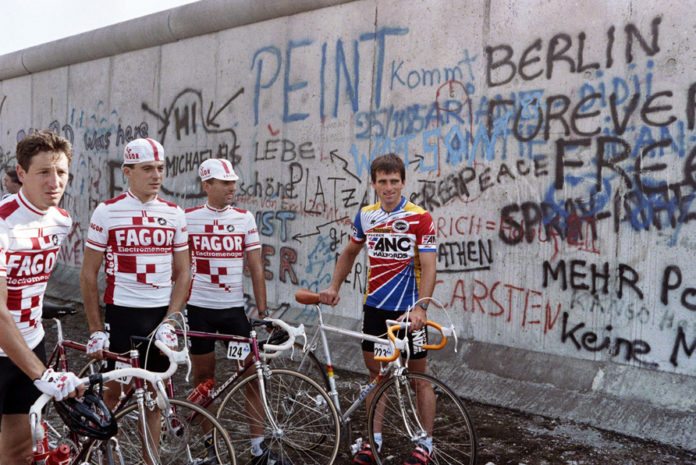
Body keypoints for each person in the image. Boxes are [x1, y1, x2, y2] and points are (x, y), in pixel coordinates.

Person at [319, 153, 437, 465]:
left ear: (403, 182)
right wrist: (334, 286)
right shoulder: (366, 216)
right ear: (373, 183)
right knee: (377, 375)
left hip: (409, 312)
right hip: (375, 309)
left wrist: (421, 308)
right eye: (382, 182)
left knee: (419, 379)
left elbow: (429, 265)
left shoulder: (420, 217)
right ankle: (375, 441)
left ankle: (425, 442)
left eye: (394, 181)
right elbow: (349, 253)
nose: (388, 188)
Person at [81, 138, 190, 392]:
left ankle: (149, 435)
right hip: (121, 313)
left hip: (159, 314)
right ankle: (107, 433)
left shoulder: (175, 213)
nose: (156, 175)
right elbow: (88, 274)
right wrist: (95, 329)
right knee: (113, 391)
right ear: (127, 172)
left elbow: (185, 271)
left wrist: (170, 321)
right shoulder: (106, 211)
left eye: (161, 168)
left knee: (156, 393)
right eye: (147, 168)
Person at [0, 131, 82, 464]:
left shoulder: (61, 221)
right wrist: (43, 374)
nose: (54, 182)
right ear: (21, 174)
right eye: (44, 172)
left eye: (61, 172)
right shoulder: (3, 224)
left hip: (30, 340)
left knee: (20, 449)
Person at [185, 158, 273, 463]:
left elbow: (256, 266)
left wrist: (263, 310)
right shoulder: (188, 218)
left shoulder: (244, 218)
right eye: (224, 183)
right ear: (207, 185)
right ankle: (210, 445)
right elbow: (178, 268)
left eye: (233, 182)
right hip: (199, 310)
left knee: (251, 375)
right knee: (204, 380)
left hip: (233, 311)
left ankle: (258, 446)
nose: (231, 188)